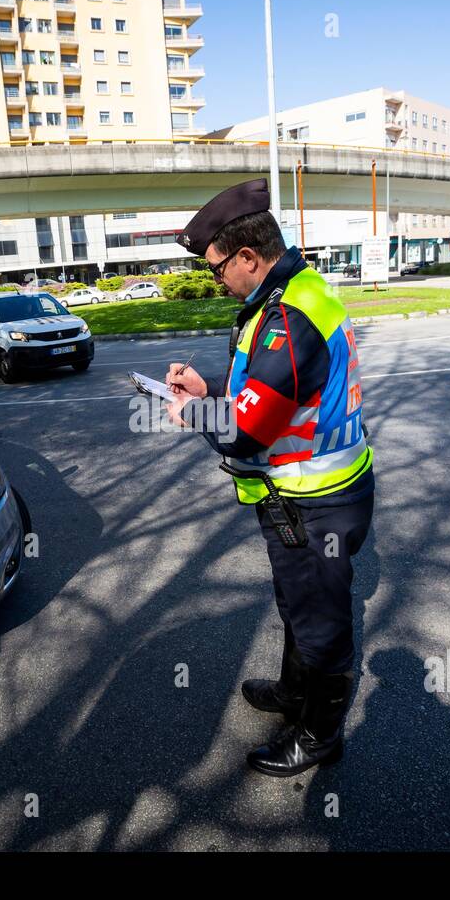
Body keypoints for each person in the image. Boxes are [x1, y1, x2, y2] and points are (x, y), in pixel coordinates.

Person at [165, 179, 375, 777]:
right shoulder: (293, 296)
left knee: (320, 618)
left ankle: (318, 733)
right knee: (296, 602)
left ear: (248, 258)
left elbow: (246, 432)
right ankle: (292, 690)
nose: (215, 281)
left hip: (315, 499)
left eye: (216, 269)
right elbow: (267, 390)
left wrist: (193, 413)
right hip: (316, 493)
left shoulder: (288, 317)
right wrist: (209, 388)